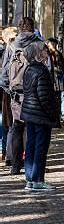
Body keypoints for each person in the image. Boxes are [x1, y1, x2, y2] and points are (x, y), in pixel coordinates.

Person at [21, 40, 60, 191]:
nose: (46, 51)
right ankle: (37, 180)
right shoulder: (41, 70)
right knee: (40, 147)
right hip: (40, 114)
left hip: (30, 113)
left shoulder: (30, 69)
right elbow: (44, 96)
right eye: (44, 49)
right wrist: (51, 114)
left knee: (31, 145)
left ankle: (31, 179)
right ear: (38, 54)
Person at [8, 17, 42, 175]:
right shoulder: (38, 44)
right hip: (34, 92)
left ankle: (15, 165)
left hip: (16, 93)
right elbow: (46, 69)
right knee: (33, 128)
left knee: (17, 128)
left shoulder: (12, 44)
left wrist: (9, 89)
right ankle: (32, 165)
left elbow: (4, 73)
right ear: (33, 27)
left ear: (20, 28)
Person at [0, 26, 17, 164]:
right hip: (7, 92)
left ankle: (7, 153)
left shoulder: (8, 50)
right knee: (8, 124)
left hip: (6, 91)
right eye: (12, 38)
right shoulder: (7, 51)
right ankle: (7, 153)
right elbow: (5, 75)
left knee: (8, 124)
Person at [45, 38, 64, 120]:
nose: (52, 45)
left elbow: (63, 67)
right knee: (54, 97)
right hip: (53, 79)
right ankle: (55, 115)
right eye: (51, 44)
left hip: (58, 79)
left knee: (60, 97)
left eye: (53, 44)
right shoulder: (47, 54)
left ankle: (59, 114)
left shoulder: (58, 54)